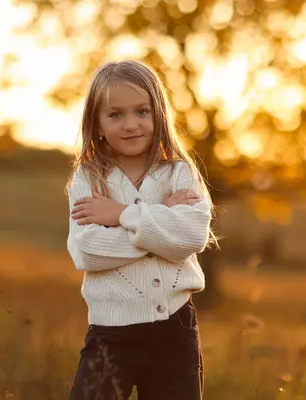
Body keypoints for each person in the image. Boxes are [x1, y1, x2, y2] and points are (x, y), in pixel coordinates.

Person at [65, 59, 217, 400]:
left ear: (158, 115)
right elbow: (88, 250)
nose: (131, 124)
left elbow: (192, 236)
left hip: (175, 332)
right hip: (110, 333)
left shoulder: (180, 173)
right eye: (116, 114)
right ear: (97, 123)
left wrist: (120, 214)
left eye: (142, 112)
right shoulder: (89, 179)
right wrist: (163, 229)